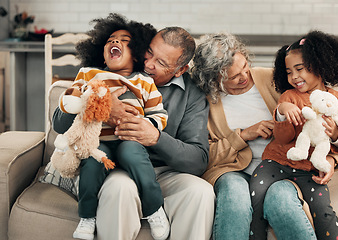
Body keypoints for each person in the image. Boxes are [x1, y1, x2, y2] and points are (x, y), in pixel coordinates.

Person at [54, 25, 215, 240]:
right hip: (117, 167)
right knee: (120, 189)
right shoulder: (112, 71)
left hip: (164, 172)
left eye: (161, 63)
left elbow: (198, 160)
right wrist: (99, 108)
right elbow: (59, 122)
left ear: (179, 70)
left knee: (200, 192)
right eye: (149, 52)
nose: (148, 64)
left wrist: (156, 138)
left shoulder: (192, 95)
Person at [191, 32, 320, 240]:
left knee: (282, 199)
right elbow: (202, 157)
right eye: (233, 76)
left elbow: (318, 118)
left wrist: (330, 160)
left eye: (244, 67)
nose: (244, 77)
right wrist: (242, 135)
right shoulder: (203, 100)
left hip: (279, 167)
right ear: (213, 78)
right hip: (231, 170)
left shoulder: (273, 79)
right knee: (235, 193)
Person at [53, 13, 170, 240]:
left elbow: (158, 115)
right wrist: (87, 102)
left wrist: (143, 125)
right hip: (98, 142)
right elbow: (71, 102)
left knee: (133, 152)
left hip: (130, 141)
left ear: (136, 55)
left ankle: (154, 208)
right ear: (103, 54)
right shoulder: (88, 74)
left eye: (124, 41)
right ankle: (87, 217)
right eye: (110, 40)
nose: (115, 42)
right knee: (91, 162)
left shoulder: (143, 82)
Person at [249, 30, 338, 240]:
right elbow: (281, 139)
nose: (294, 77)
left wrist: (336, 134)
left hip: (311, 169)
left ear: (320, 66)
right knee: (255, 193)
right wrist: (282, 113)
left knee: (323, 210)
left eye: (300, 69)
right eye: (289, 72)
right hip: (277, 162)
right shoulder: (289, 97)